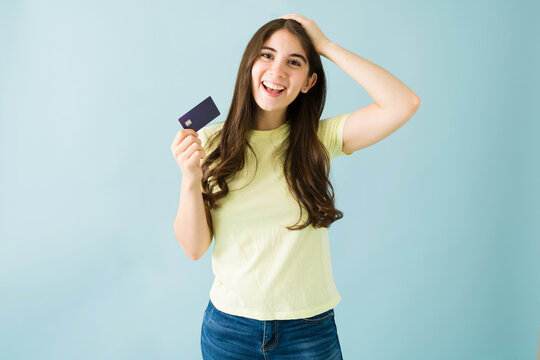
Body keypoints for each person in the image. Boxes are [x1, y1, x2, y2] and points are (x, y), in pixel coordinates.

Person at [171, 13, 420, 360]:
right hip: (229, 329)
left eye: (294, 62)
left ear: (308, 81)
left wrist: (326, 46)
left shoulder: (319, 139)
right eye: (267, 55)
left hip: (308, 329)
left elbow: (403, 103)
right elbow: (194, 248)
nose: (277, 71)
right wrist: (189, 178)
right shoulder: (209, 141)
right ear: (249, 66)